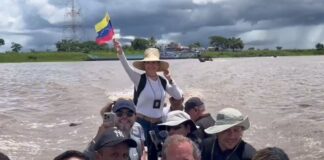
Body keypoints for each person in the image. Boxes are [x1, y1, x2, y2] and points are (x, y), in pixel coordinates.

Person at [114, 39, 182, 160]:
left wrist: (170, 79)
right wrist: (120, 52)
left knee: (157, 155)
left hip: (158, 124)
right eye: (148, 63)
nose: (151, 65)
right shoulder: (139, 79)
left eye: (154, 63)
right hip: (141, 123)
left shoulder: (162, 81)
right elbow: (126, 67)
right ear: (144, 65)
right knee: (139, 154)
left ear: (158, 65)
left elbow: (178, 96)